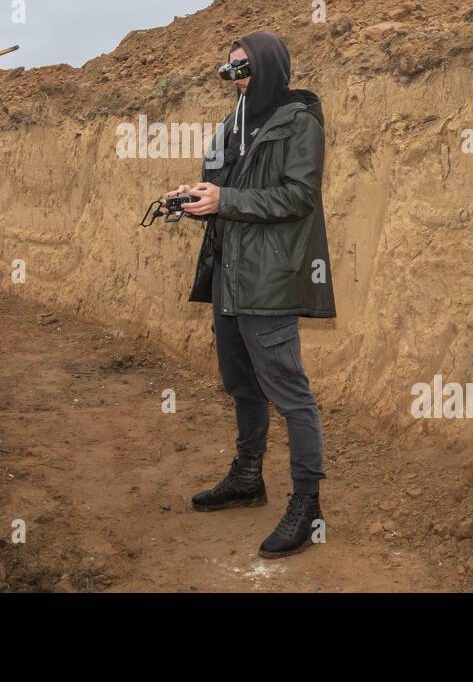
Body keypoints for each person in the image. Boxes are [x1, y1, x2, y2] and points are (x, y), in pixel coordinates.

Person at [162, 30, 335, 558]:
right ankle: (247, 477)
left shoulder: (298, 122)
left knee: (290, 393)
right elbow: (223, 192)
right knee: (241, 384)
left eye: (243, 68)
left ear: (268, 68)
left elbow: (298, 195)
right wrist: (192, 198)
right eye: (228, 70)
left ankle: (307, 506)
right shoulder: (231, 126)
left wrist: (227, 198)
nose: (234, 78)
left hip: (269, 279)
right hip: (228, 276)